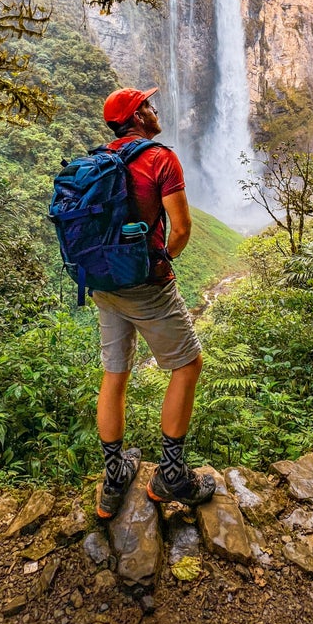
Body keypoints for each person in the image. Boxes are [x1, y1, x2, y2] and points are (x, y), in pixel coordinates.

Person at [92, 86, 216, 520]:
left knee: (115, 374)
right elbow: (180, 230)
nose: (156, 108)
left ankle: (113, 478)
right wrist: (160, 261)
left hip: (103, 285)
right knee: (187, 365)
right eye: (148, 104)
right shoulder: (160, 158)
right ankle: (172, 475)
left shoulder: (97, 160)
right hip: (148, 285)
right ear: (137, 115)